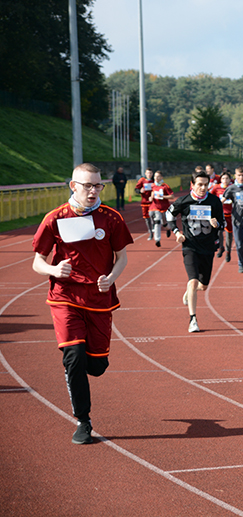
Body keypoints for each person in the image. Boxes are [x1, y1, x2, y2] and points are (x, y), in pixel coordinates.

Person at [32, 163, 134, 444]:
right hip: (65, 297)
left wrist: (111, 277)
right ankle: (83, 421)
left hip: (99, 300)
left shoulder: (111, 218)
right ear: (73, 186)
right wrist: (54, 271)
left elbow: (122, 256)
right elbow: (37, 261)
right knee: (73, 357)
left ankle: (89, 363)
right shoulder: (54, 218)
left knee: (97, 366)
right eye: (87, 185)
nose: (93, 191)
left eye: (97, 185)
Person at [166, 171, 225, 333]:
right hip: (190, 246)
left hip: (208, 247)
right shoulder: (183, 201)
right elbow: (169, 215)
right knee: (192, 281)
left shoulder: (214, 201)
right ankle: (193, 319)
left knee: (203, 286)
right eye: (199, 184)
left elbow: (223, 222)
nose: (203, 187)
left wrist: (217, 224)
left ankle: (189, 292)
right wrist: (177, 232)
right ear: (192, 185)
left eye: (206, 184)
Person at [210, 171, 234, 261]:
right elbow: (211, 196)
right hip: (220, 214)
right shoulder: (216, 187)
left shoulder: (233, 188)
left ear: (230, 179)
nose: (225, 180)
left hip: (230, 214)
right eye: (223, 178)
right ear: (220, 179)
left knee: (229, 234)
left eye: (227, 178)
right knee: (219, 231)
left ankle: (228, 251)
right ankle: (221, 247)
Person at [148, 170, 174, 248]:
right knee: (157, 221)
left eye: (158, 176)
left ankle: (167, 228)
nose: (156, 178)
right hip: (155, 207)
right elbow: (152, 193)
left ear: (161, 177)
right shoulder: (153, 185)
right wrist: (151, 198)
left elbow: (172, 196)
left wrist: (163, 196)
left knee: (164, 222)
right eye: (155, 176)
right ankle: (157, 239)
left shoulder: (165, 186)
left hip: (164, 207)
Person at [134, 168, 155, 240]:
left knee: (153, 216)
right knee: (147, 218)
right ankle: (150, 232)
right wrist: (140, 191)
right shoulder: (142, 180)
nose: (149, 175)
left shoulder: (154, 181)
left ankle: (154, 228)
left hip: (153, 202)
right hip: (144, 202)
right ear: (145, 174)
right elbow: (136, 189)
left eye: (151, 173)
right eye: (148, 173)